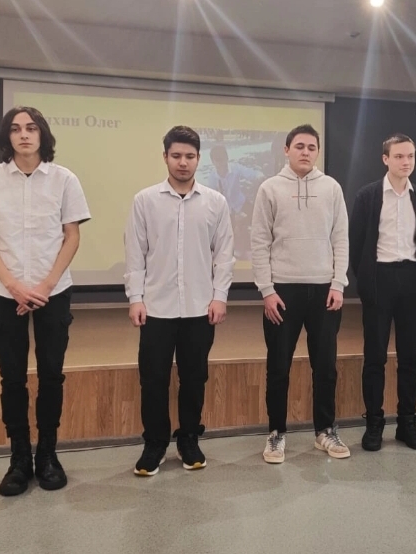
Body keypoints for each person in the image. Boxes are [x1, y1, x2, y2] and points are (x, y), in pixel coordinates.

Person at [0, 106, 90, 496]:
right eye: (16, 129)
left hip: (54, 290)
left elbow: (72, 236)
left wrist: (45, 287)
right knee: (12, 377)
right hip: (5, 291)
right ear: (8, 136)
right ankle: (19, 459)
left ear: (42, 135)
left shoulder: (65, 179)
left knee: (51, 374)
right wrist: (15, 286)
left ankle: (47, 455)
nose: (24, 134)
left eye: (31, 128)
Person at [125, 126, 235, 476]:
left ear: (198, 159)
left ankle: (188, 439)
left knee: (194, 378)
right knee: (153, 379)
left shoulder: (215, 202)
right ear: (165, 157)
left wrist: (220, 296)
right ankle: (155, 443)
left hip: (200, 307)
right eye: (176, 156)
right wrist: (135, 298)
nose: (183, 162)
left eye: (189, 156)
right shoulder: (145, 200)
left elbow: (225, 255)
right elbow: (135, 254)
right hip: (156, 307)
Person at [250, 124, 350, 464]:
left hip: (324, 291)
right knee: (278, 367)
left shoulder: (331, 188)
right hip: (282, 292)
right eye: (300, 146)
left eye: (311, 147)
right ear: (287, 150)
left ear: (317, 152)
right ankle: (276, 433)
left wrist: (338, 284)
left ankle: (325, 430)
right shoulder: (270, 188)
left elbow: (341, 238)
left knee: (326, 368)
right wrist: (267, 290)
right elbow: (259, 241)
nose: (306, 152)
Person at [349, 134, 416, 452]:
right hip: (379, 279)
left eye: (410, 156)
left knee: (410, 357)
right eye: (399, 156)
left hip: (412, 279)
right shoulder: (368, 196)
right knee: (375, 357)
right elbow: (356, 243)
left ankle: (407, 423)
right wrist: (366, 281)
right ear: (385, 159)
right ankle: (374, 423)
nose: (406, 162)